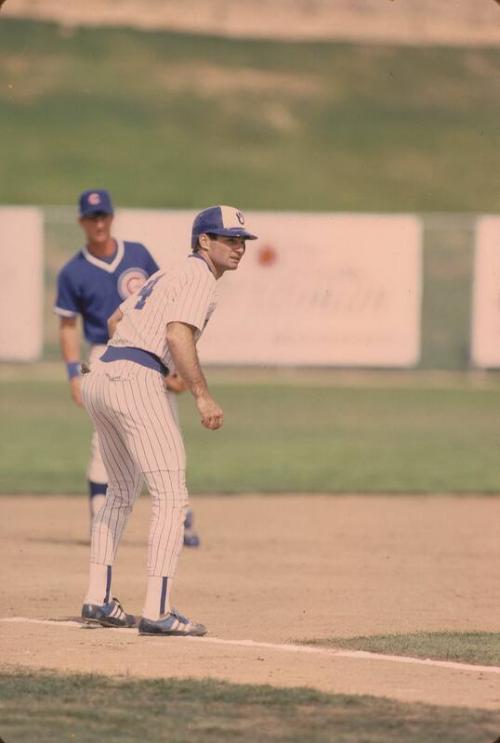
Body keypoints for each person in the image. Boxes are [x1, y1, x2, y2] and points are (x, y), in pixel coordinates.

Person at [79, 204, 257, 636]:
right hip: (136, 378)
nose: (238, 248)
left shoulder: (165, 273)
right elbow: (178, 334)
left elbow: (115, 319)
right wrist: (201, 395)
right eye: (229, 240)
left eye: (241, 241)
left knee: (120, 492)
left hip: (102, 374)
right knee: (171, 495)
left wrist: (141, 356)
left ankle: (97, 598)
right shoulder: (198, 276)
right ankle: (158, 610)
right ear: (204, 242)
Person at [53, 188, 200, 546]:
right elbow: (68, 327)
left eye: (103, 215)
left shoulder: (137, 255)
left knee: (166, 429)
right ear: (81, 222)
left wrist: (175, 365)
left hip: (149, 350)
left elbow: (164, 304)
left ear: (112, 216)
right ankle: (100, 513)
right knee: (104, 436)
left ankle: (180, 516)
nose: (98, 222)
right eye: (91, 217)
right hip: (102, 354)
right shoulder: (73, 272)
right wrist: (74, 372)